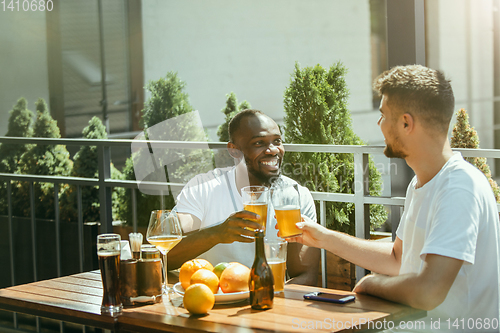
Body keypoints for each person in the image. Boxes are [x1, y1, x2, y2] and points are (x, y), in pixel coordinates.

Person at [287, 65, 500, 331]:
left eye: (383, 115)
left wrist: (372, 284)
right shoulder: (421, 182)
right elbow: (398, 258)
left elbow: (428, 291)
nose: (380, 125)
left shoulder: (459, 187)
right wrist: (325, 238)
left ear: (406, 123)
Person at [168, 109, 320, 286]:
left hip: (267, 304)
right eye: (259, 143)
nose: (273, 150)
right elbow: (165, 254)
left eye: (277, 141)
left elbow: (306, 277)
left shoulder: (296, 195)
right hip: (212, 301)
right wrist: (216, 234)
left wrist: (262, 300)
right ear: (233, 151)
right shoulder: (203, 187)